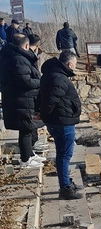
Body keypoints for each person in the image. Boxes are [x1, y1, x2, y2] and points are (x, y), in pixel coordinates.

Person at [39, 50, 83, 199]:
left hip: (59, 119)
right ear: (69, 64)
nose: (75, 68)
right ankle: (65, 188)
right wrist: (44, 114)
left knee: (63, 154)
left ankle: (66, 182)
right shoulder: (59, 78)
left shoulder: (52, 74)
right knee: (65, 155)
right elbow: (51, 99)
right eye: (75, 65)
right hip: (62, 121)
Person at [0, 34, 42, 169]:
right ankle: (25, 159)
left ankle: (30, 154)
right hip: (22, 99)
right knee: (26, 128)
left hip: (21, 99)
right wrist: (40, 82)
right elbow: (24, 81)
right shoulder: (19, 59)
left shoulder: (12, 56)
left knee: (28, 128)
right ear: (26, 46)